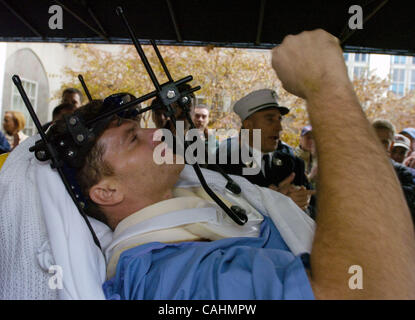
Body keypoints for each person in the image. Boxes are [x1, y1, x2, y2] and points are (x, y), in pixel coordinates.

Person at [49, 29, 415, 300]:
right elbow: (370, 285)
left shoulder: (197, 194)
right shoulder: (165, 278)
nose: (155, 135)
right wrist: (326, 85)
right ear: (107, 191)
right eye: (133, 137)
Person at [214, 89, 315, 213]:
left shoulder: (294, 164)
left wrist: (304, 206)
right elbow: (218, 213)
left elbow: (318, 213)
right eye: (270, 120)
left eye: (279, 120)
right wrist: (272, 204)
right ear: (249, 125)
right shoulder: (224, 166)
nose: (279, 127)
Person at [372, 119, 415, 221]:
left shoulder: (404, 175)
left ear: (391, 146)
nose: (378, 146)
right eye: (374, 140)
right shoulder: (355, 172)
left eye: (384, 143)